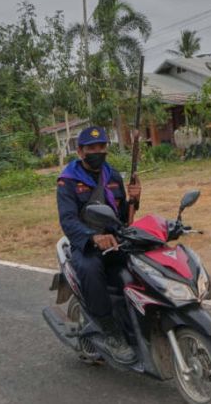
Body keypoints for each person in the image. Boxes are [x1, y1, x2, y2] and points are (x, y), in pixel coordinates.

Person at [56, 126, 140, 364]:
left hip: (115, 239)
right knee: (91, 270)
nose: (97, 151)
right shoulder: (68, 181)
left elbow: (123, 215)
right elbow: (68, 220)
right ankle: (110, 331)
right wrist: (93, 237)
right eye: (91, 148)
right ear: (80, 151)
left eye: (101, 147)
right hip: (87, 243)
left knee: (144, 263)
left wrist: (136, 198)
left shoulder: (112, 175)